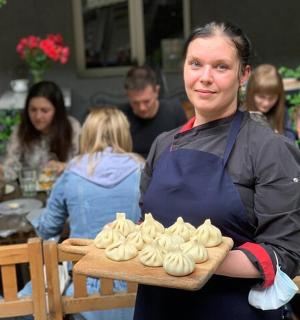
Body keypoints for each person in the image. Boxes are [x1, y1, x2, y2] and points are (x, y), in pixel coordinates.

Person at [134, 21, 300, 320]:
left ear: (243, 75)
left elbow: (284, 252)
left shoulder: (266, 148)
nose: (205, 78)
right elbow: (147, 228)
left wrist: (195, 260)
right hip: (157, 308)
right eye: (196, 63)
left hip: (231, 309)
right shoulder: (163, 145)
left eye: (221, 66)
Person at [19, 107, 144, 320]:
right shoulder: (142, 168)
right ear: (124, 134)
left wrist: (34, 217)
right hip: (136, 286)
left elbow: (49, 228)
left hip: (83, 290)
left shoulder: (72, 171)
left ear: (86, 135)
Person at [0, 81, 81, 181]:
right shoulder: (20, 129)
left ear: (57, 111)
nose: (38, 117)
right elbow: (10, 167)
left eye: (45, 111)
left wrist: (66, 166)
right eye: (33, 110)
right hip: (31, 191)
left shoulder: (73, 127)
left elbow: (86, 166)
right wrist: (3, 172)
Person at [121, 65, 187, 158]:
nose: (142, 108)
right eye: (135, 103)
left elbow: (185, 149)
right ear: (127, 95)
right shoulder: (121, 118)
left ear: (156, 91)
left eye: (147, 101)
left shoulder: (174, 111)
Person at [245, 64, 297, 140]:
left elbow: (290, 138)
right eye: (261, 97)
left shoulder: (283, 112)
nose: (266, 103)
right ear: (251, 93)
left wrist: (280, 137)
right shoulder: (241, 113)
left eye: (272, 98)